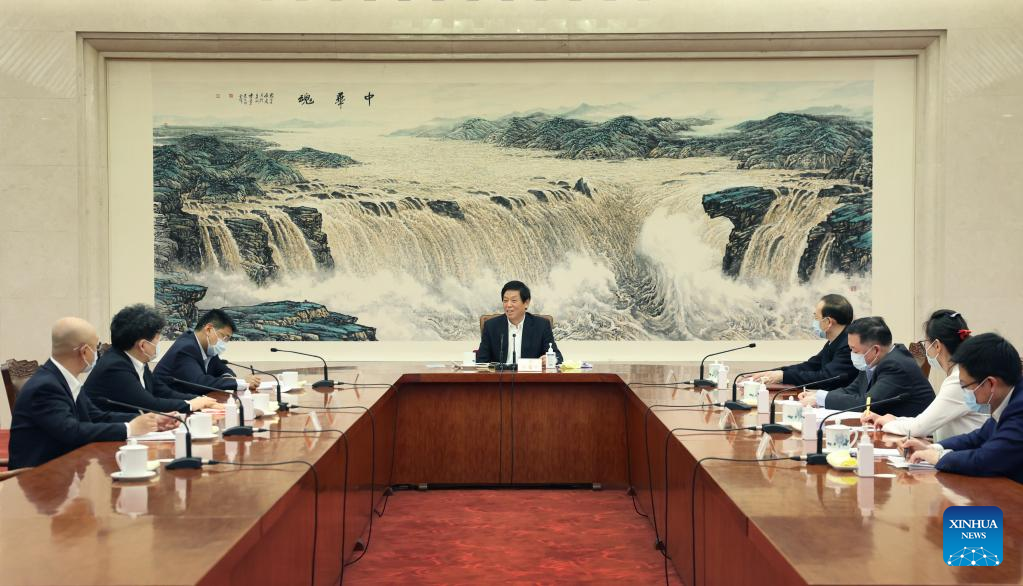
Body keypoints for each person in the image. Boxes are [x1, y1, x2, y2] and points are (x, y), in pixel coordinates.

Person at [8, 317, 178, 470]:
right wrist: (129, 428)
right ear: (84, 351)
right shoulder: (45, 387)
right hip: (40, 477)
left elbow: (97, 416)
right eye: (96, 347)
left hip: (68, 468)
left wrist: (151, 421)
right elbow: (71, 431)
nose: (98, 353)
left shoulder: (63, 378)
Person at [903, 333, 1023, 483]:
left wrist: (940, 457)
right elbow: (978, 438)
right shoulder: (1009, 399)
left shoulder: (1019, 408)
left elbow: (987, 460)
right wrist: (933, 448)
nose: (964, 392)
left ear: (991, 384)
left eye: (965, 386)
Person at [862, 310, 987, 442]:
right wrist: (892, 420)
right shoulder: (961, 374)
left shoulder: (958, 381)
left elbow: (919, 428)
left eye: (926, 342)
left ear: (937, 345)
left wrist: (888, 423)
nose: (925, 347)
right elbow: (928, 421)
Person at [84, 304, 220, 415]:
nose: (158, 345)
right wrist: (190, 405)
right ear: (143, 345)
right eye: (157, 341)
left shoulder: (137, 361)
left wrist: (200, 400)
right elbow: (149, 404)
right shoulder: (115, 366)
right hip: (105, 436)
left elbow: (162, 391)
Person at [797, 316, 934, 417]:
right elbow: (852, 390)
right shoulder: (873, 360)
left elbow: (866, 404)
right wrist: (818, 396)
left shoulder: (896, 366)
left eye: (854, 350)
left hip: (915, 436)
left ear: (875, 350)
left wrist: (822, 398)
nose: (852, 354)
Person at [741, 294, 857, 390]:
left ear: (828, 322)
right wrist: (772, 373)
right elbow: (810, 366)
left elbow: (826, 378)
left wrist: (783, 376)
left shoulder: (849, 345)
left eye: (816, 318)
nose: (814, 322)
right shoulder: (835, 341)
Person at [153, 308, 260, 395]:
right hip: (168, 407)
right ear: (208, 329)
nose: (224, 342)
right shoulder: (186, 348)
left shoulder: (208, 349)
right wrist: (241, 382)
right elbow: (200, 383)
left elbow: (224, 370)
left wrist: (231, 380)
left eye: (228, 339)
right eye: (224, 337)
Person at [475, 280, 563, 366]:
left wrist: (550, 359)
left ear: (526, 303)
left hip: (529, 375)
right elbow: (481, 361)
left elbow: (558, 357)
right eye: (505, 300)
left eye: (513, 300)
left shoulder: (541, 325)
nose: (508, 305)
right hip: (500, 375)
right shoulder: (491, 326)